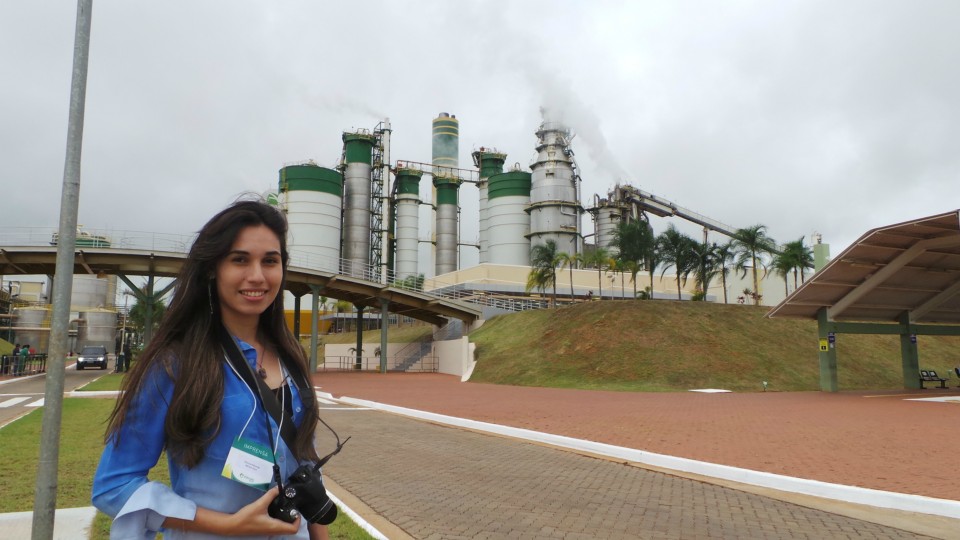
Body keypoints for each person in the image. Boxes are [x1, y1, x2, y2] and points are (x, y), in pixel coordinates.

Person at [92, 199, 330, 539]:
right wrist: (227, 525)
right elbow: (113, 485)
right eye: (239, 260)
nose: (257, 276)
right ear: (212, 268)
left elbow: (305, 464)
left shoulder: (291, 356)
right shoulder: (176, 365)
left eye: (270, 261)